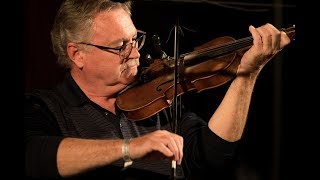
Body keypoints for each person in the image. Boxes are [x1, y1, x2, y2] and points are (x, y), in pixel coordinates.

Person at [24, 0, 292, 179]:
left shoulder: (156, 100)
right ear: (77, 54)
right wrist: (130, 148)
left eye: (135, 40)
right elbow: (35, 155)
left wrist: (247, 73)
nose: (136, 54)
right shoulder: (45, 107)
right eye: (120, 46)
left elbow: (212, 156)